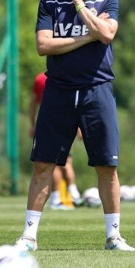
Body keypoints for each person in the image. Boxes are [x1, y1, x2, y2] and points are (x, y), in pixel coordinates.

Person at [15, 0, 135, 252]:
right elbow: (43, 46)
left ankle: (113, 237)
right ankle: (29, 236)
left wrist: (80, 6)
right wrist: (86, 37)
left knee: (107, 166)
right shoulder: (49, 1)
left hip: (98, 90)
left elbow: (107, 35)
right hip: (58, 91)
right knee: (43, 165)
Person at [29, 72, 82, 210]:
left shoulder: (40, 79)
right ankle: (71, 196)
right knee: (64, 163)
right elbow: (75, 103)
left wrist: (32, 124)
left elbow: (33, 103)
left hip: (48, 120)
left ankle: (60, 198)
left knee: (52, 163)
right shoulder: (66, 75)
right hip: (63, 119)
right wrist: (79, 128)